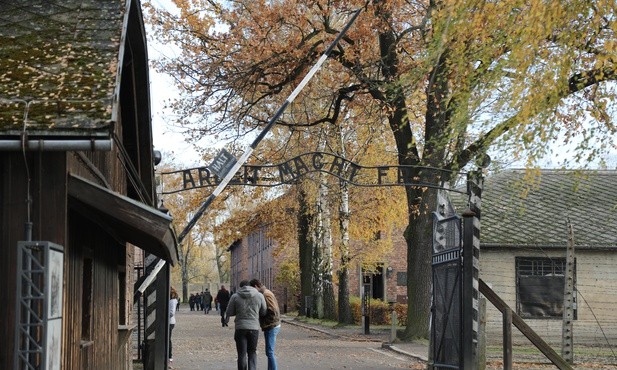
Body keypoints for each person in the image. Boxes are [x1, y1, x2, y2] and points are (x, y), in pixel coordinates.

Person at [226, 280, 267, 370]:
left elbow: (229, 311)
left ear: (240, 287)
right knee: (252, 352)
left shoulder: (235, 296)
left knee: (241, 353)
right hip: (254, 327)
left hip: (240, 327)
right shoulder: (259, 296)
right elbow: (264, 311)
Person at [250, 279, 281, 370]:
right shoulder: (265, 293)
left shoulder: (266, 294)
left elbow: (273, 310)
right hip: (270, 325)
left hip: (272, 325)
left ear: (256, 286)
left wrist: (264, 318)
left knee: (270, 352)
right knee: (269, 352)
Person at [169, 287, 179, 365]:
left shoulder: (172, 301)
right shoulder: (172, 300)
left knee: (168, 339)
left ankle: (170, 356)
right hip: (170, 321)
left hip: (169, 322)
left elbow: (171, 312)